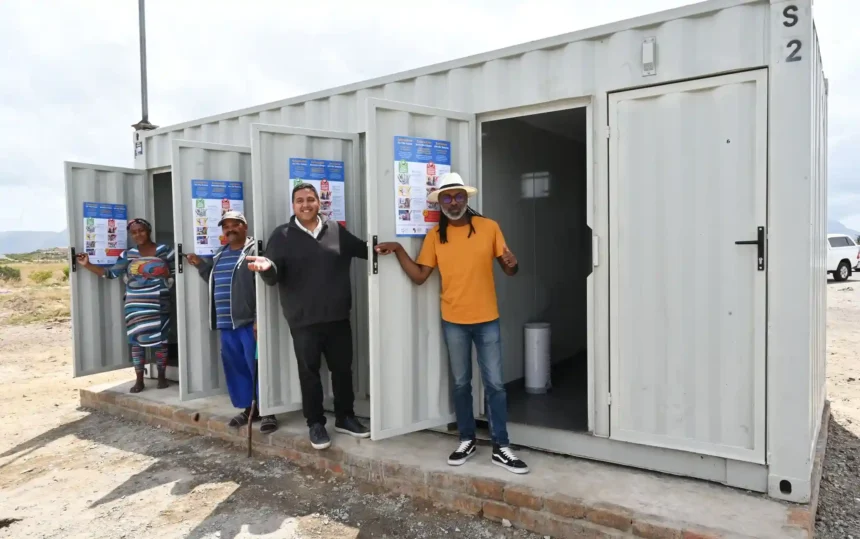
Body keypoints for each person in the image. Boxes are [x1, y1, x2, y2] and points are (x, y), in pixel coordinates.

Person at [375, 172, 529, 474]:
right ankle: (467, 439)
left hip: (487, 320)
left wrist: (514, 264)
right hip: (454, 321)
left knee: (495, 384)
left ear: (466, 198)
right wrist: (399, 250)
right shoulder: (435, 235)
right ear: (440, 202)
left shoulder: (489, 228)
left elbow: (509, 268)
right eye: (447, 197)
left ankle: (501, 446)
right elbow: (420, 277)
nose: (454, 202)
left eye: (458, 196)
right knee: (461, 385)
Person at [246, 182, 370, 450]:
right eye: (300, 200)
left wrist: (385, 247)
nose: (306, 204)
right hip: (303, 319)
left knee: (342, 370)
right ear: (293, 205)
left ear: (319, 202)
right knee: (309, 372)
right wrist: (266, 267)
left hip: (337, 316)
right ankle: (315, 423)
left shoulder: (335, 229)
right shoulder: (282, 236)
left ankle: (345, 417)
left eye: (311, 199)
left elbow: (363, 250)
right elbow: (273, 276)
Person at [185, 211, 277, 433]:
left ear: (245, 227)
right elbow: (214, 281)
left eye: (235, 224)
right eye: (226, 226)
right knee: (237, 368)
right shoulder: (219, 254)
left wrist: (258, 319)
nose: (230, 229)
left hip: (248, 323)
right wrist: (200, 265)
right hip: (227, 324)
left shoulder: (254, 251)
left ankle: (268, 411)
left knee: (257, 367)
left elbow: (263, 287)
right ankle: (249, 409)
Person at [76, 218, 174, 393]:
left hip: (159, 302)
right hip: (135, 304)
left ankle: (161, 376)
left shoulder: (164, 250)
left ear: (148, 230)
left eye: (141, 230)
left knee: (161, 341)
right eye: (134, 232)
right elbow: (111, 273)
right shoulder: (127, 255)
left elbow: (175, 273)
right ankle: (139, 380)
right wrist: (87, 264)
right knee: (136, 341)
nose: (138, 234)